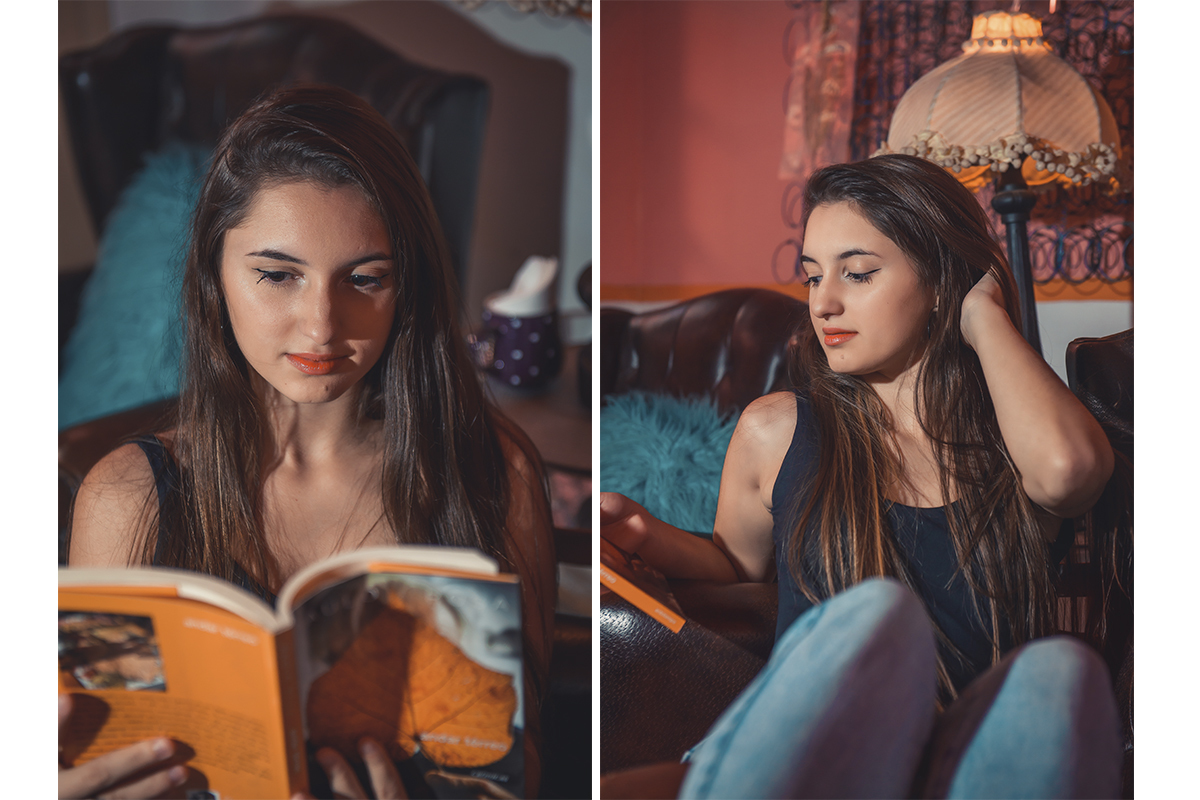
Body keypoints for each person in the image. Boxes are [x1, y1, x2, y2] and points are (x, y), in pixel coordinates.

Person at [63, 84, 556, 799]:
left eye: (365, 278)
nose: (322, 325)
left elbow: (524, 761)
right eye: (277, 275)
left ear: (406, 284)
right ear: (214, 277)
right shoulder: (127, 496)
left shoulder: (488, 471)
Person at [601, 154, 1123, 798]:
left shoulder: (1013, 443)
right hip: (805, 747)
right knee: (878, 616)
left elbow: (1071, 473)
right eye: (813, 277)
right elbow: (735, 566)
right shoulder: (778, 428)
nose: (824, 303)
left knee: (1059, 670)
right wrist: (648, 536)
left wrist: (984, 313)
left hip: (946, 759)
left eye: (859, 273)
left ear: (941, 281)